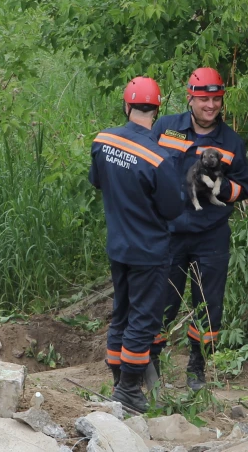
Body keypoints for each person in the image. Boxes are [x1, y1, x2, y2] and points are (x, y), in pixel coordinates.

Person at [150, 67, 248, 390]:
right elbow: (145, 166)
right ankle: (151, 363)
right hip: (170, 232)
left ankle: (197, 366)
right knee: (162, 301)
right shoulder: (167, 128)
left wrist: (220, 188)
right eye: (204, 100)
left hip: (211, 235)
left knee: (208, 305)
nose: (211, 106)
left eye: (217, 100)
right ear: (190, 98)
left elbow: (244, 189)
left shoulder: (232, 142)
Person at [88, 77, 183, 413]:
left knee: (122, 314)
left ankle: (118, 383)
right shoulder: (158, 157)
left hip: (119, 246)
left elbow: (97, 181)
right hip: (149, 251)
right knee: (143, 320)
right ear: (156, 110)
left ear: (126, 106)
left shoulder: (103, 140)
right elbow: (174, 208)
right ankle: (129, 389)